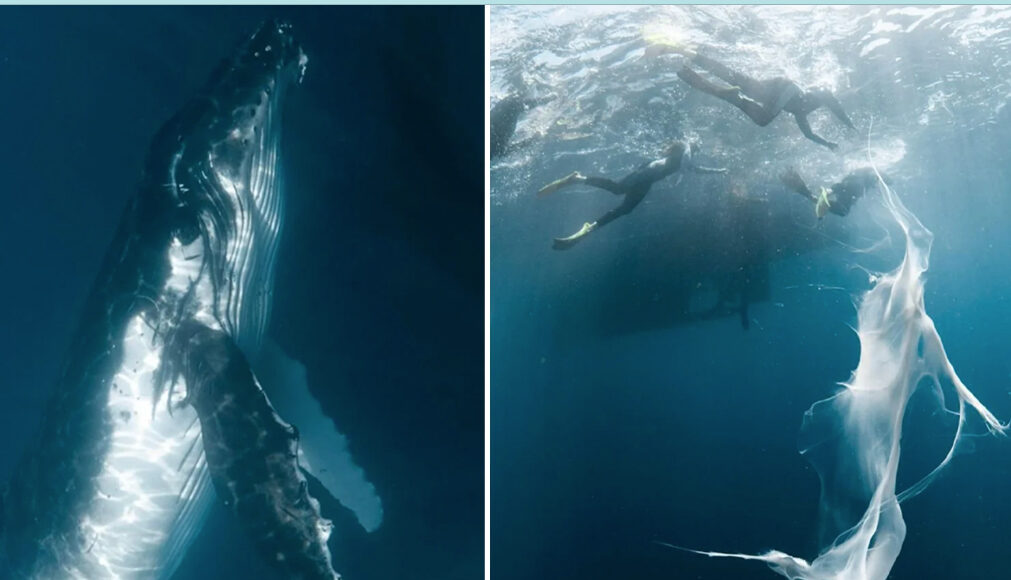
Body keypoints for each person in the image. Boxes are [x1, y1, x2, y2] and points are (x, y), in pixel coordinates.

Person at [648, 43, 855, 150]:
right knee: (734, 80)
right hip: (778, 87)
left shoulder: (800, 113)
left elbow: (808, 135)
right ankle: (680, 50)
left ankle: (732, 96)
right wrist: (849, 125)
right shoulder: (815, 95)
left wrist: (828, 144)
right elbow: (830, 102)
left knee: (735, 82)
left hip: (768, 95)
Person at [537, 140, 726, 250]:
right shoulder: (686, 148)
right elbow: (688, 165)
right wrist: (691, 165)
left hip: (647, 180)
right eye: (697, 148)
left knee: (625, 209)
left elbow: (694, 169)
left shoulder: (686, 156)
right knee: (618, 189)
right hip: (644, 175)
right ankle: (577, 179)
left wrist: (717, 171)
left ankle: (591, 227)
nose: (696, 151)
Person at [780, 167, 886, 218]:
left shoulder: (861, 173)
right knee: (843, 211)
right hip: (853, 186)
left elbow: (842, 184)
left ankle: (815, 192)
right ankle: (813, 194)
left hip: (848, 184)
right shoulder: (865, 177)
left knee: (841, 200)